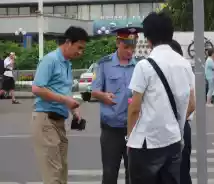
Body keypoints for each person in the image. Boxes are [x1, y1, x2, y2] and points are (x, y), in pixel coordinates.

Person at [127, 12, 195, 184]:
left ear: (148, 38)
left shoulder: (144, 65)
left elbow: (134, 109)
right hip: (173, 141)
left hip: (145, 144)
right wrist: (176, 125)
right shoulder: (185, 64)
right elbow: (192, 104)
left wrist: (129, 137)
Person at [31, 26, 88, 184]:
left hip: (59, 121)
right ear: (68, 43)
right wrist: (64, 100)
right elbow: (36, 88)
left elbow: (64, 92)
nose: (80, 52)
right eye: (79, 48)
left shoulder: (67, 64)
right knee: (53, 173)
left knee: (62, 169)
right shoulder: (51, 60)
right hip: (46, 120)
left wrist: (74, 109)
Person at [91, 26, 143, 184]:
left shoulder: (140, 66)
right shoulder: (104, 64)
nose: (130, 51)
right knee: (109, 174)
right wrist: (102, 95)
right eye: (126, 47)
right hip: (111, 129)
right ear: (117, 43)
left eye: (132, 47)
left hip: (134, 128)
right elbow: (94, 90)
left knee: (133, 174)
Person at [169, 39, 195, 184]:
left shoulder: (184, 70)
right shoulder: (186, 69)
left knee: (179, 171)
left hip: (179, 126)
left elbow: (192, 104)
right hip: (182, 125)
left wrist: (177, 123)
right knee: (182, 170)